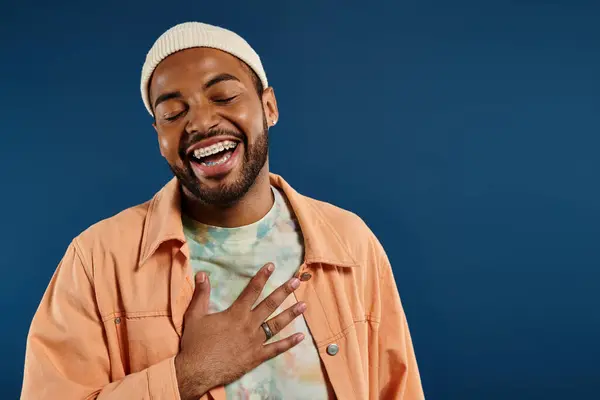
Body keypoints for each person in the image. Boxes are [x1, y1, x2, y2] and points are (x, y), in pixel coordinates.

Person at [21, 22, 424, 400]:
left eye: (224, 96)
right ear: (159, 137)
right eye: (173, 114)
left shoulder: (350, 243)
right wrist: (187, 375)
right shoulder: (96, 260)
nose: (201, 122)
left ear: (269, 107)